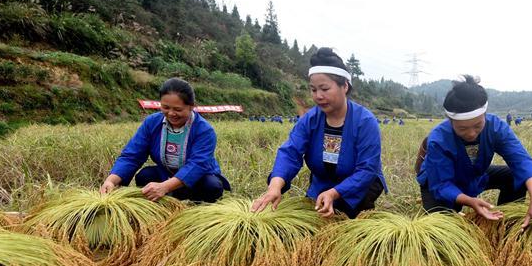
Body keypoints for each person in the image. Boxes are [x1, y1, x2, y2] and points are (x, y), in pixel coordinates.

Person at [252, 47, 387, 218]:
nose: (318, 96)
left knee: (345, 220)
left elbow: (367, 169)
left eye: (324, 88)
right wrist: (275, 186)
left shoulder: (365, 122)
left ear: (344, 86)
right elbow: (290, 152)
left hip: (359, 185)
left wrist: (334, 193)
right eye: (313, 90)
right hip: (323, 182)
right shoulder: (310, 120)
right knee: (313, 219)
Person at [415, 75, 532, 236]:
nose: (471, 133)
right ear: (450, 121)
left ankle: (505, 226)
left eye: (477, 125)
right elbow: (441, 184)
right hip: (439, 183)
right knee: (442, 234)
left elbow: (522, 162)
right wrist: (470, 201)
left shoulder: (496, 127)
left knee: (512, 176)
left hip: (474, 175)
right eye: (462, 129)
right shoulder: (439, 139)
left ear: (485, 115)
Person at [100, 78, 230, 203]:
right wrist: (111, 180)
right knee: (144, 176)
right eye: (165, 108)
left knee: (211, 186)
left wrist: (165, 187)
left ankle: (194, 205)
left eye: (178, 109)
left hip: (197, 179)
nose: (171, 113)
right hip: (166, 174)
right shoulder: (152, 123)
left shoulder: (204, 130)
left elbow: (198, 165)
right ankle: (166, 201)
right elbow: (132, 155)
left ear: (191, 106)